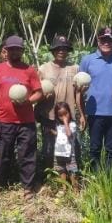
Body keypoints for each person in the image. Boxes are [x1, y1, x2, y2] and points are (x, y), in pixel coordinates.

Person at [0, 35, 43, 200]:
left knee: (27, 154)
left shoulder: (29, 70)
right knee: (3, 154)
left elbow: (39, 93)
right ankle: (0, 184)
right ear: (6, 50)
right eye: (11, 49)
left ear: (22, 51)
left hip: (26, 121)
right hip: (4, 120)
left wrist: (27, 101)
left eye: (18, 49)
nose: (15, 51)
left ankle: (27, 188)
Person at [79, 27, 112, 171]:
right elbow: (79, 87)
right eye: (103, 39)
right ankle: (95, 178)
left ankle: (109, 179)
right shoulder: (87, 60)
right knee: (94, 148)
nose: (106, 43)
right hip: (94, 113)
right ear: (98, 40)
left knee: (111, 149)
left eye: (110, 40)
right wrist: (82, 113)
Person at [35, 35, 86, 182]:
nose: (61, 51)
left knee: (72, 150)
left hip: (69, 118)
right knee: (49, 149)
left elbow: (78, 94)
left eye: (64, 49)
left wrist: (82, 114)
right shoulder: (43, 69)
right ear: (53, 50)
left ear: (68, 51)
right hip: (49, 116)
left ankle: (73, 179)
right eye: (58, 48)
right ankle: (51, 179)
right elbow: (38, 93)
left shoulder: (75, 68)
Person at [52, 102, 80, 192]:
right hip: (59, 153)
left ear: (69, 112)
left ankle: (75, 189)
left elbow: (68, 133)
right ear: (57, 116)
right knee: (61, 170)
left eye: (65, 113)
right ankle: (63, 188)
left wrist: (65, 122)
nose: (64, 116)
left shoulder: (72, 124)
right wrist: (52, 132)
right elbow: (60, 134)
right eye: (60, 115)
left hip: (69, 154)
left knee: (72, 171)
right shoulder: (58, 125)